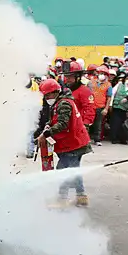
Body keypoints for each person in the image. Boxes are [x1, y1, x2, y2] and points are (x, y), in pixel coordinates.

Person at [35, 78, 92, 207]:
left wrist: (46, 134)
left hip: (73, 144)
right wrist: (48, 126)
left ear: (54, 92)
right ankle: (81, 197)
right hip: (75, 142)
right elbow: (55, 119)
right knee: (74, 170)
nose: (46, 98)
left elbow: (62, 124)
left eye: (47, 95)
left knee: (62, 171)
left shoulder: (64, 104)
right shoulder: (60, 102)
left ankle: (62, 199)